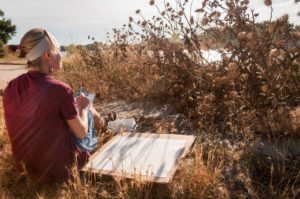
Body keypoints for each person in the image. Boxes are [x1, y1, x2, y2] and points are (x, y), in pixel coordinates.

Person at [2, 28, 109, 183]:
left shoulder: (10, 87)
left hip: (25, 168)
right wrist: (83, 108)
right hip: (61, 169)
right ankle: (108, 125)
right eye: (58, 49)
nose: (60, 54)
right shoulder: (60, 89)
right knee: (87, 107)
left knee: (73, 105)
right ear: (48, 55)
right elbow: (81, 133)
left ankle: (107, 123)